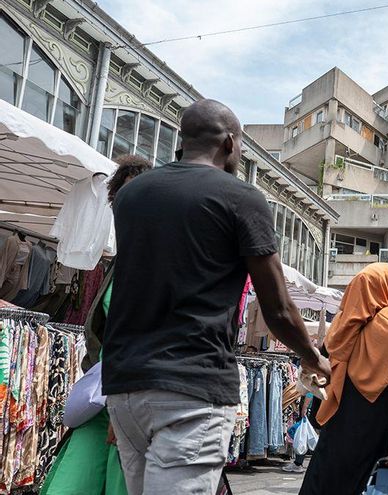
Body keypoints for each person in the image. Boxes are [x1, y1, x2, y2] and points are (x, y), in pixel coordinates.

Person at [102, 99, 331, 495]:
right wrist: (314, 358)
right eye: (241, 145)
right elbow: (276, 308)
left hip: (125, 389)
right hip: (190, 390)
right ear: (229, 142)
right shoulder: (241, 198)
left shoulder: (131, 195)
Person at [40, 155, 151, 495]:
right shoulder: (121, 262)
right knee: (69, 485)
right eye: (123, 201)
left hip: (135, 401)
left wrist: (126, 402)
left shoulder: (162, 260)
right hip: (100, 395)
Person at [300, 263, 388, 494]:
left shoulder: (339, 326)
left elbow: (324, 381)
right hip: (382, 435)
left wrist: (319, 420)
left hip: (338, 435)